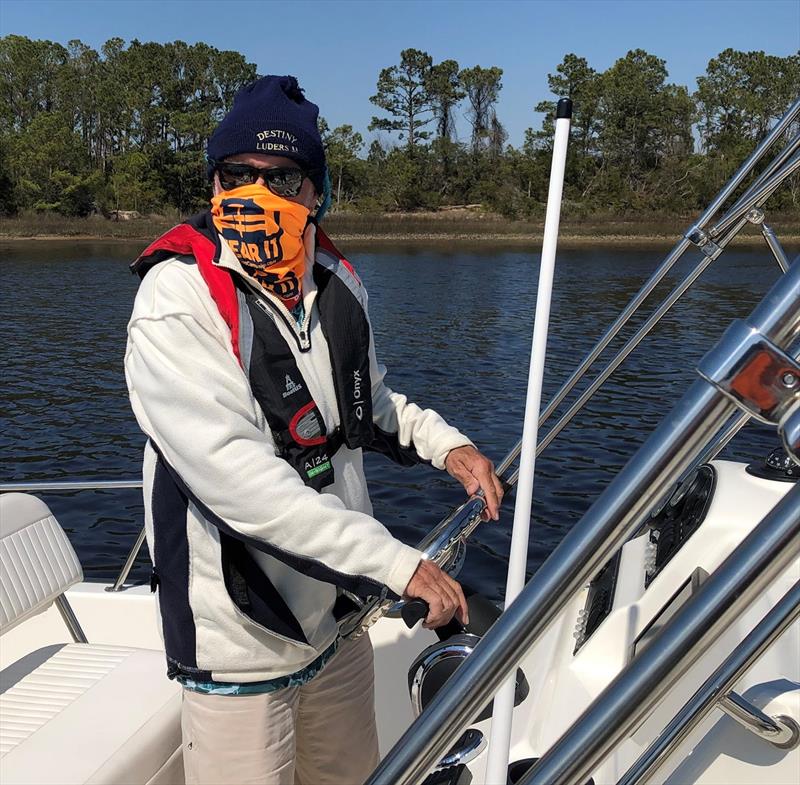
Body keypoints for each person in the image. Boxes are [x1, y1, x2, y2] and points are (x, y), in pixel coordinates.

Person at [125, 74, 503, 785]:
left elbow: (370, 403)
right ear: (213, 181)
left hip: (338, 625)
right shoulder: (175, 300)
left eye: (282, 176)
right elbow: (238, 480)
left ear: (314, 191)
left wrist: (447, 445)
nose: (257, 192)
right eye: (238, 173)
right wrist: (396, 563)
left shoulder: (332, 282)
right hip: (241, 646)